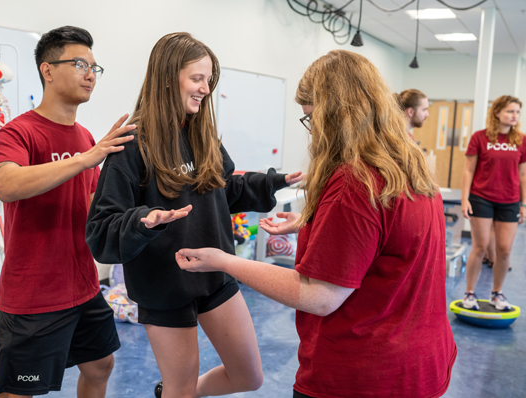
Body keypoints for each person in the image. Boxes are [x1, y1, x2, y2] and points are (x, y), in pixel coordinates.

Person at [175, 49, 456, 398]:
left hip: (362, 375)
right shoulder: (406, 163)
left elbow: (319, 296)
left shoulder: (356, 181)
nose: (312, 131)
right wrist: (314, 223)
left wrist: (223, 260)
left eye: (311, 118)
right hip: (422, 360)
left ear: (336, 114)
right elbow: (382, 236)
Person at [85, 32, 302, 398]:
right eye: (197, 78)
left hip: (215, 275)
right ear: (169, 77)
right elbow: (101, 229)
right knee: (180, 388)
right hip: (163, 286)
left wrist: (273, 183)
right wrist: (144, 220)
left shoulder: (202, 136)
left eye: (209, 80)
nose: (205, 88)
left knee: (250, 377)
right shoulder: (131, 146)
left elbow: (223, 190)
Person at [0, 26, 135, 398]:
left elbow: (91, 208)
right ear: (47, 70)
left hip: (83, 286)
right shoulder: (18, 133)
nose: (90, 75)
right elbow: (7, 184)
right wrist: (85, 159)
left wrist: (140, 219)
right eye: (80, 63)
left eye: (95, 68)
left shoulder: (85, 137)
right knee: (16, 392)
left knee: (101, 365)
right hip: (35, 292)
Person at [460, 95, 526, 311]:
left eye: (517, 112)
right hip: (482, 198)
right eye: (509, 111)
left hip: (510, 201)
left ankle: (497, 293)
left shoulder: (521, 140)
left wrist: (524, 204)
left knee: (504, 250)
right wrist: (464, 199)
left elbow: (523, 174)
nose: (514, 115)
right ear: (497, 112)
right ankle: (469, 292)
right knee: (479, 247)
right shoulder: (480, 138)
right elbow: (468, 170)